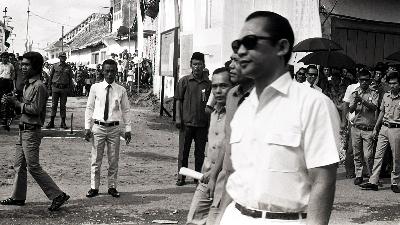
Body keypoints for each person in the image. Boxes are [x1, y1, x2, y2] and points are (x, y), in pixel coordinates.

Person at [220, 11, 340, 225]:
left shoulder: (313, 104)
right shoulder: (244, 108)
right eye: (236, 44)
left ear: (282, 47)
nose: (240, 51)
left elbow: (323, 181)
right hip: (235, 216)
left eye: (250, 41)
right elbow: (234, 176)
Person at [0, 51, 69, 211]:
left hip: (31, 132)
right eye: (22, 64)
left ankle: (57, 195)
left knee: (33, 166)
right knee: (19, 166)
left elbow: (35, 109)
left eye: (26, 65)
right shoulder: (28, 85)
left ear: (35, 66)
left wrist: (17, 104)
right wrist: (12, 104)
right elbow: (24, 110)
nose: (22, 67)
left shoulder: (39, 87)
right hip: (23, 130)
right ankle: (18, 197)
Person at [208, 53, 254, 224]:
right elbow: (228, 140)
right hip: (228, 177)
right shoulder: (233, 95)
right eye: (231, 60)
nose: (231, 66)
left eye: (237, 60)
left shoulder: (266, 98)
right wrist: (214, 176)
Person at [186, 67, 232, 225]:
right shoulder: (213, 114)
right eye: (215, 86)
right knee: (193, 220)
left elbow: (229, 150)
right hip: (205, 178)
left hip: (223, 182)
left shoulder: (237, 115)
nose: (218, 91)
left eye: (224, 86)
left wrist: (214, 174)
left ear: (233, 88)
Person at [84, 59, 131, 198]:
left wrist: (128, 128)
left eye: (112, 71)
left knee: (113, 159)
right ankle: (94, 187)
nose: (110, 74)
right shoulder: (95, 88)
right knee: (95, 159)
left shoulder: (121, 90)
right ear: (102, 71)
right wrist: (87, 127)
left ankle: (112, 186)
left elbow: (126, 110)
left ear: (116, 72)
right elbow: (89, 108)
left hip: (114, 129)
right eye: (107, 71)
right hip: (98, 127)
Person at [174, 52, 211, 186]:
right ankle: (181, 177)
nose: (197, 67)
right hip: (186, 123)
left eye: (199, 64)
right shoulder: (184, 81)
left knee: (199, 153)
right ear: (191, 65)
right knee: (183, 152)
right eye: (195, 64)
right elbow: (178, 100)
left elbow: (211, 104)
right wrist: (178, 118)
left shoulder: (208, 84)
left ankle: (197, 177)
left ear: (203, 65)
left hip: (202, 124)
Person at [360, 71, 400, 193]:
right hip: (384, 127)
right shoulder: (386, 96)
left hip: (396, 128)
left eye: (395, 83)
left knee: (396, 157)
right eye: (390, 83)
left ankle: (395, 182)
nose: (392, 86)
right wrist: (376, 128)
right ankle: (373, 181)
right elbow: (382, 112)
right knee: (378, 155)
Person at [348, 69, 378, 185]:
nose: (364, 82)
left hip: (368, 128)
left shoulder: (373, 92)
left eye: (366, 80)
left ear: (370, 80)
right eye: (362, 80)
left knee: (368, 155)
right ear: (359, 80)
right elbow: (351, 110)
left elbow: (374, 107)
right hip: (356, 127)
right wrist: (355, 102)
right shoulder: (355, 92)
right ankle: (359, 174)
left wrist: (362, 100)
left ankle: (371, 176)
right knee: (357, 153)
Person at [46, 52, 73, 129]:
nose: (63, 58)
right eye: (61, 57)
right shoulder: (54, 66)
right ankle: (51, 122)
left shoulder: (68, 67)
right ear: (59, 57)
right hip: (55, 88)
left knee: (63, 106)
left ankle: (63, 122)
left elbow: (70, 78)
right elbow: (50, 77)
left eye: (64, 57)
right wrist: (49, 88)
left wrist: (70, 89)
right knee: (54, 105)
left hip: (64, 88)